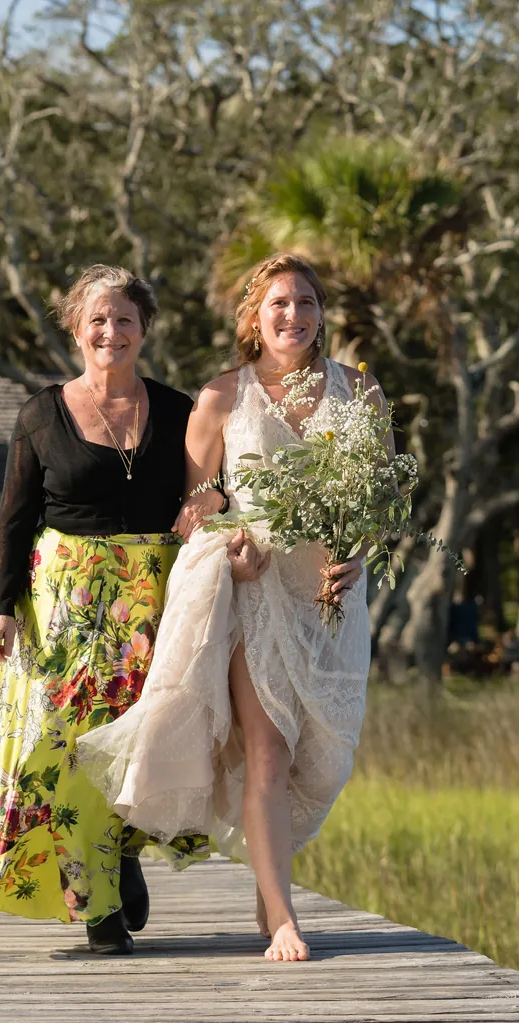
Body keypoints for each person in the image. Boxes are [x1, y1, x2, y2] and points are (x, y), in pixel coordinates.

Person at [78, 253, 375, 962]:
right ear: (254, 316)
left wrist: (359, 552)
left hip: (331, 595)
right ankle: (282, 917)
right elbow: (197, 505)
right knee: (268, 754)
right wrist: (228, 537)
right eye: (278, 303)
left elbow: (377, 501)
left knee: (322, 761)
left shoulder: (359, 392)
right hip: (255, 588)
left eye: (305, 302)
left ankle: (266, 888)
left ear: (321, 314)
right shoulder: (220, 398)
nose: (292, 316)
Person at [0, 264, 209, 955]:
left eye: (124, 319)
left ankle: (122, 852)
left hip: (154, 599)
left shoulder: (180, 411)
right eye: (97, 319)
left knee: (144, 737)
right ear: (75, 329)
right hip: (65, 607)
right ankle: (97, 907)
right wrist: (0, 609)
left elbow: (210, 495)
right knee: (66, 749)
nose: (110, 332)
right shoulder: (40, 414)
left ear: (144, 329)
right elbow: (13, 519)